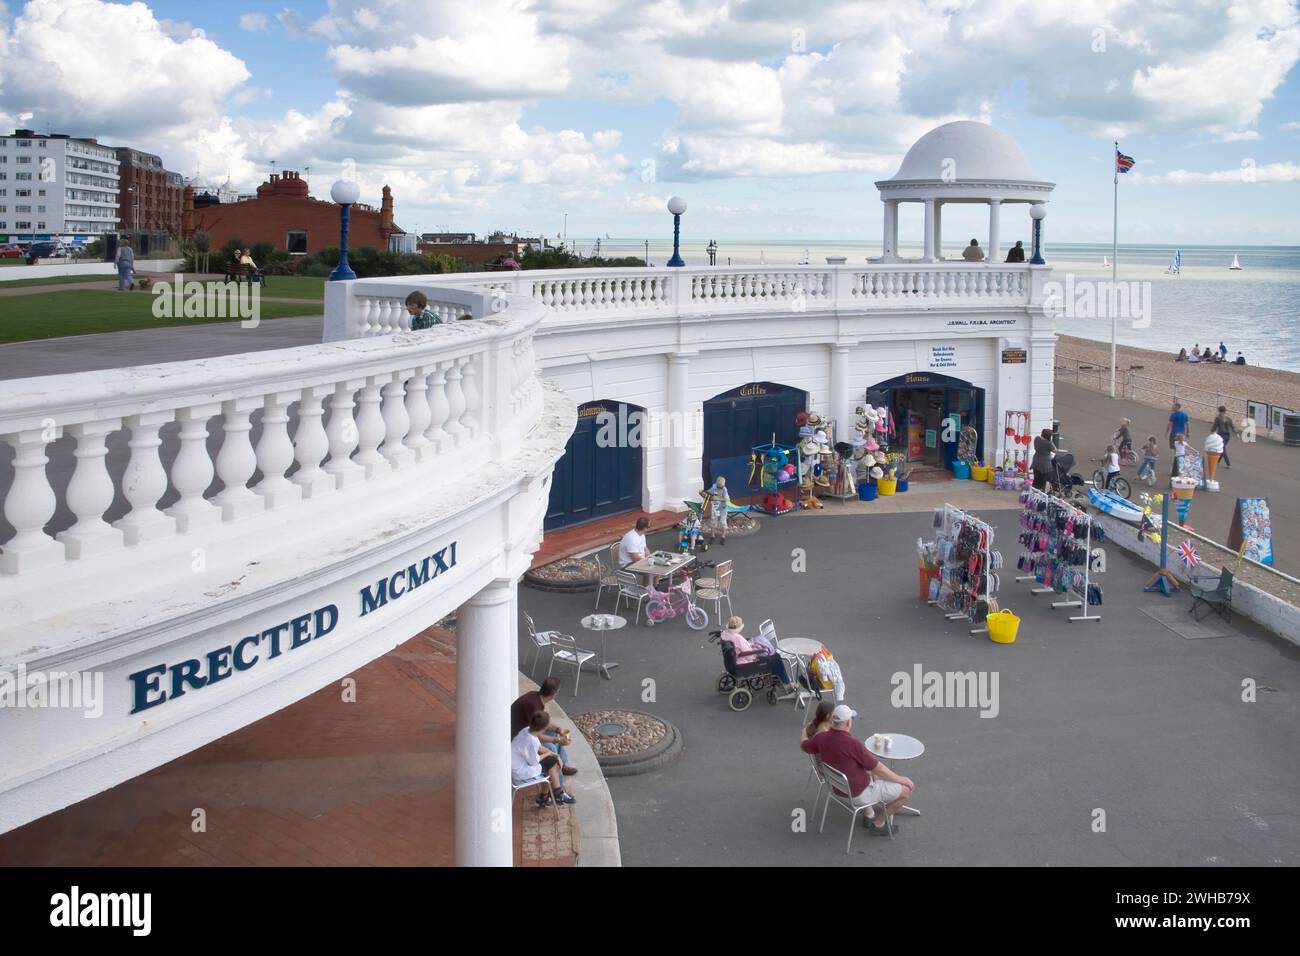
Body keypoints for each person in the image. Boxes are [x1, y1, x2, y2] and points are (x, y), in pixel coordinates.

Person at [800, 705, 915, 836]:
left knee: (868, 773)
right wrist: (901, 779)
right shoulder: (853, 744)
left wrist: (804, 732)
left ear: (833, 721)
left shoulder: (820, 738)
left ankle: (869, 813)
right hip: (857, 794)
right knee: (906, 791)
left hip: (836, 789)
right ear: (848, 722)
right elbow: (879, 769)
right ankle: (878, 824)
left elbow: (804, 746)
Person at [510, 677, 577, 776]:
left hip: (527, 732)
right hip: (519, 737)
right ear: (554, 694)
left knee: (555, 734)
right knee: (551, 748)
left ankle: (562, 765)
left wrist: (559, 730)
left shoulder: (536, 697)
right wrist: (558, 740)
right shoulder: (533, 706)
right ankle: (557, 778)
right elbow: (536, 735)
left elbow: (543, 722)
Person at [511, 711, 576, 806]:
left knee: (551, 762)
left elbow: (539, 748)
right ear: (544, 728)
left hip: (516, 765)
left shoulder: (526, 730)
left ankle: (545, 796)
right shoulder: (532, 741)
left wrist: (555, 755)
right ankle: (557, 793)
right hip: (520, 772)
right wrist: (550, 754)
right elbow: (534, 761)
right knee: (552, 764)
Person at [720, 615, 792, 687]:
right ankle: (785, 682)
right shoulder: (738, 638)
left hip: (732, 661)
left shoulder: (725, 634)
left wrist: (751, 645)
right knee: (775, 657)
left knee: (771, 655)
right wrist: (757, 650)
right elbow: (750, 656)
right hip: (743, 661)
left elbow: (741, 647)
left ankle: (775, 679)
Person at [703, 476, 731, 546]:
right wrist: (703, 492)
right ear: (717, 484)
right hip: (715, 507)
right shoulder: (714, 487)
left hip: (723, 508)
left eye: (721, 486)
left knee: (723, 522)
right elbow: (708, 493)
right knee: (713, 521)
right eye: (719, 486)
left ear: (724, 485)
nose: (720, 487)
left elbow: (727, 499)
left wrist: (717, 498)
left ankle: (723, 537)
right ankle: (712, 536)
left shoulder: (724, 489)